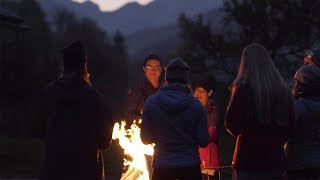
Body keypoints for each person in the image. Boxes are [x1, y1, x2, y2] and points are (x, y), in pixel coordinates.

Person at [40, 41, 113, 180]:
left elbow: (39, 127)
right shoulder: (95, 98)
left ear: (64, 67)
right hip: (85, 172)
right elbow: (105, 141)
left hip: (52, 171)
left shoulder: (49, 93)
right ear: (84, 67)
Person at [225, 43, 296, 180]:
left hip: (247, 159)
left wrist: (249, 132)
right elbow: (291, 126)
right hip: (275, 160)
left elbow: (232, 123)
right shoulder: (283, 90)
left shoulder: (243, 90)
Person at [141, 58, 209, 180]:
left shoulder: (151, 102)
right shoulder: (196, 105)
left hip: (162, 168)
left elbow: (145, 139)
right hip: (190, 168)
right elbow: (203, 140)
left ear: (166, 79)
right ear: (186, 79)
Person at [286, 64, 320, 179]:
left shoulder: (298, 108)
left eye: (297, 83)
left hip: (297, 163)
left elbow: (286, 131)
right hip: (316, 163)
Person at [194, 76, 220, 180]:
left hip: (207, 164)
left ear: (209, 94)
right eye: (197, 89)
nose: (199, 93)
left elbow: (211, 134)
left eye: (203, 91)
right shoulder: (188, 110)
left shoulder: (213, 111)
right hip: (190, 162)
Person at [123, 54, 162, 124]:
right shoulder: (137, 90)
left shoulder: (166, 88)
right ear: (144, 69)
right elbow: (129, 113)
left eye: (156, 67)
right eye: (149, 67)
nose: (153, 70)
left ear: (161, 69)